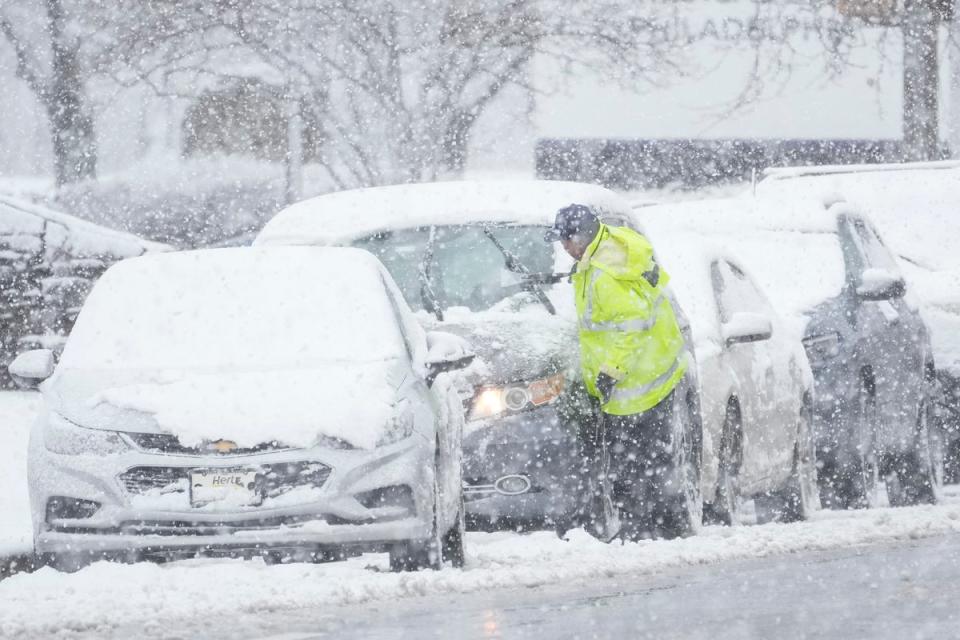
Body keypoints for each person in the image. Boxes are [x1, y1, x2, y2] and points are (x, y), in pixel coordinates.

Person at [544, 204, 696, 541]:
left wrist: (611, 372)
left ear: (580, 238)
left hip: (638, 382)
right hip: (657, 367)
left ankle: (641, 531)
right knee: (650, 459)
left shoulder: (604, 275)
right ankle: (653, 528)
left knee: (632, 464)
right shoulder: (611, 248)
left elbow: (631, 326)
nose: (564, 249)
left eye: (566, 241)